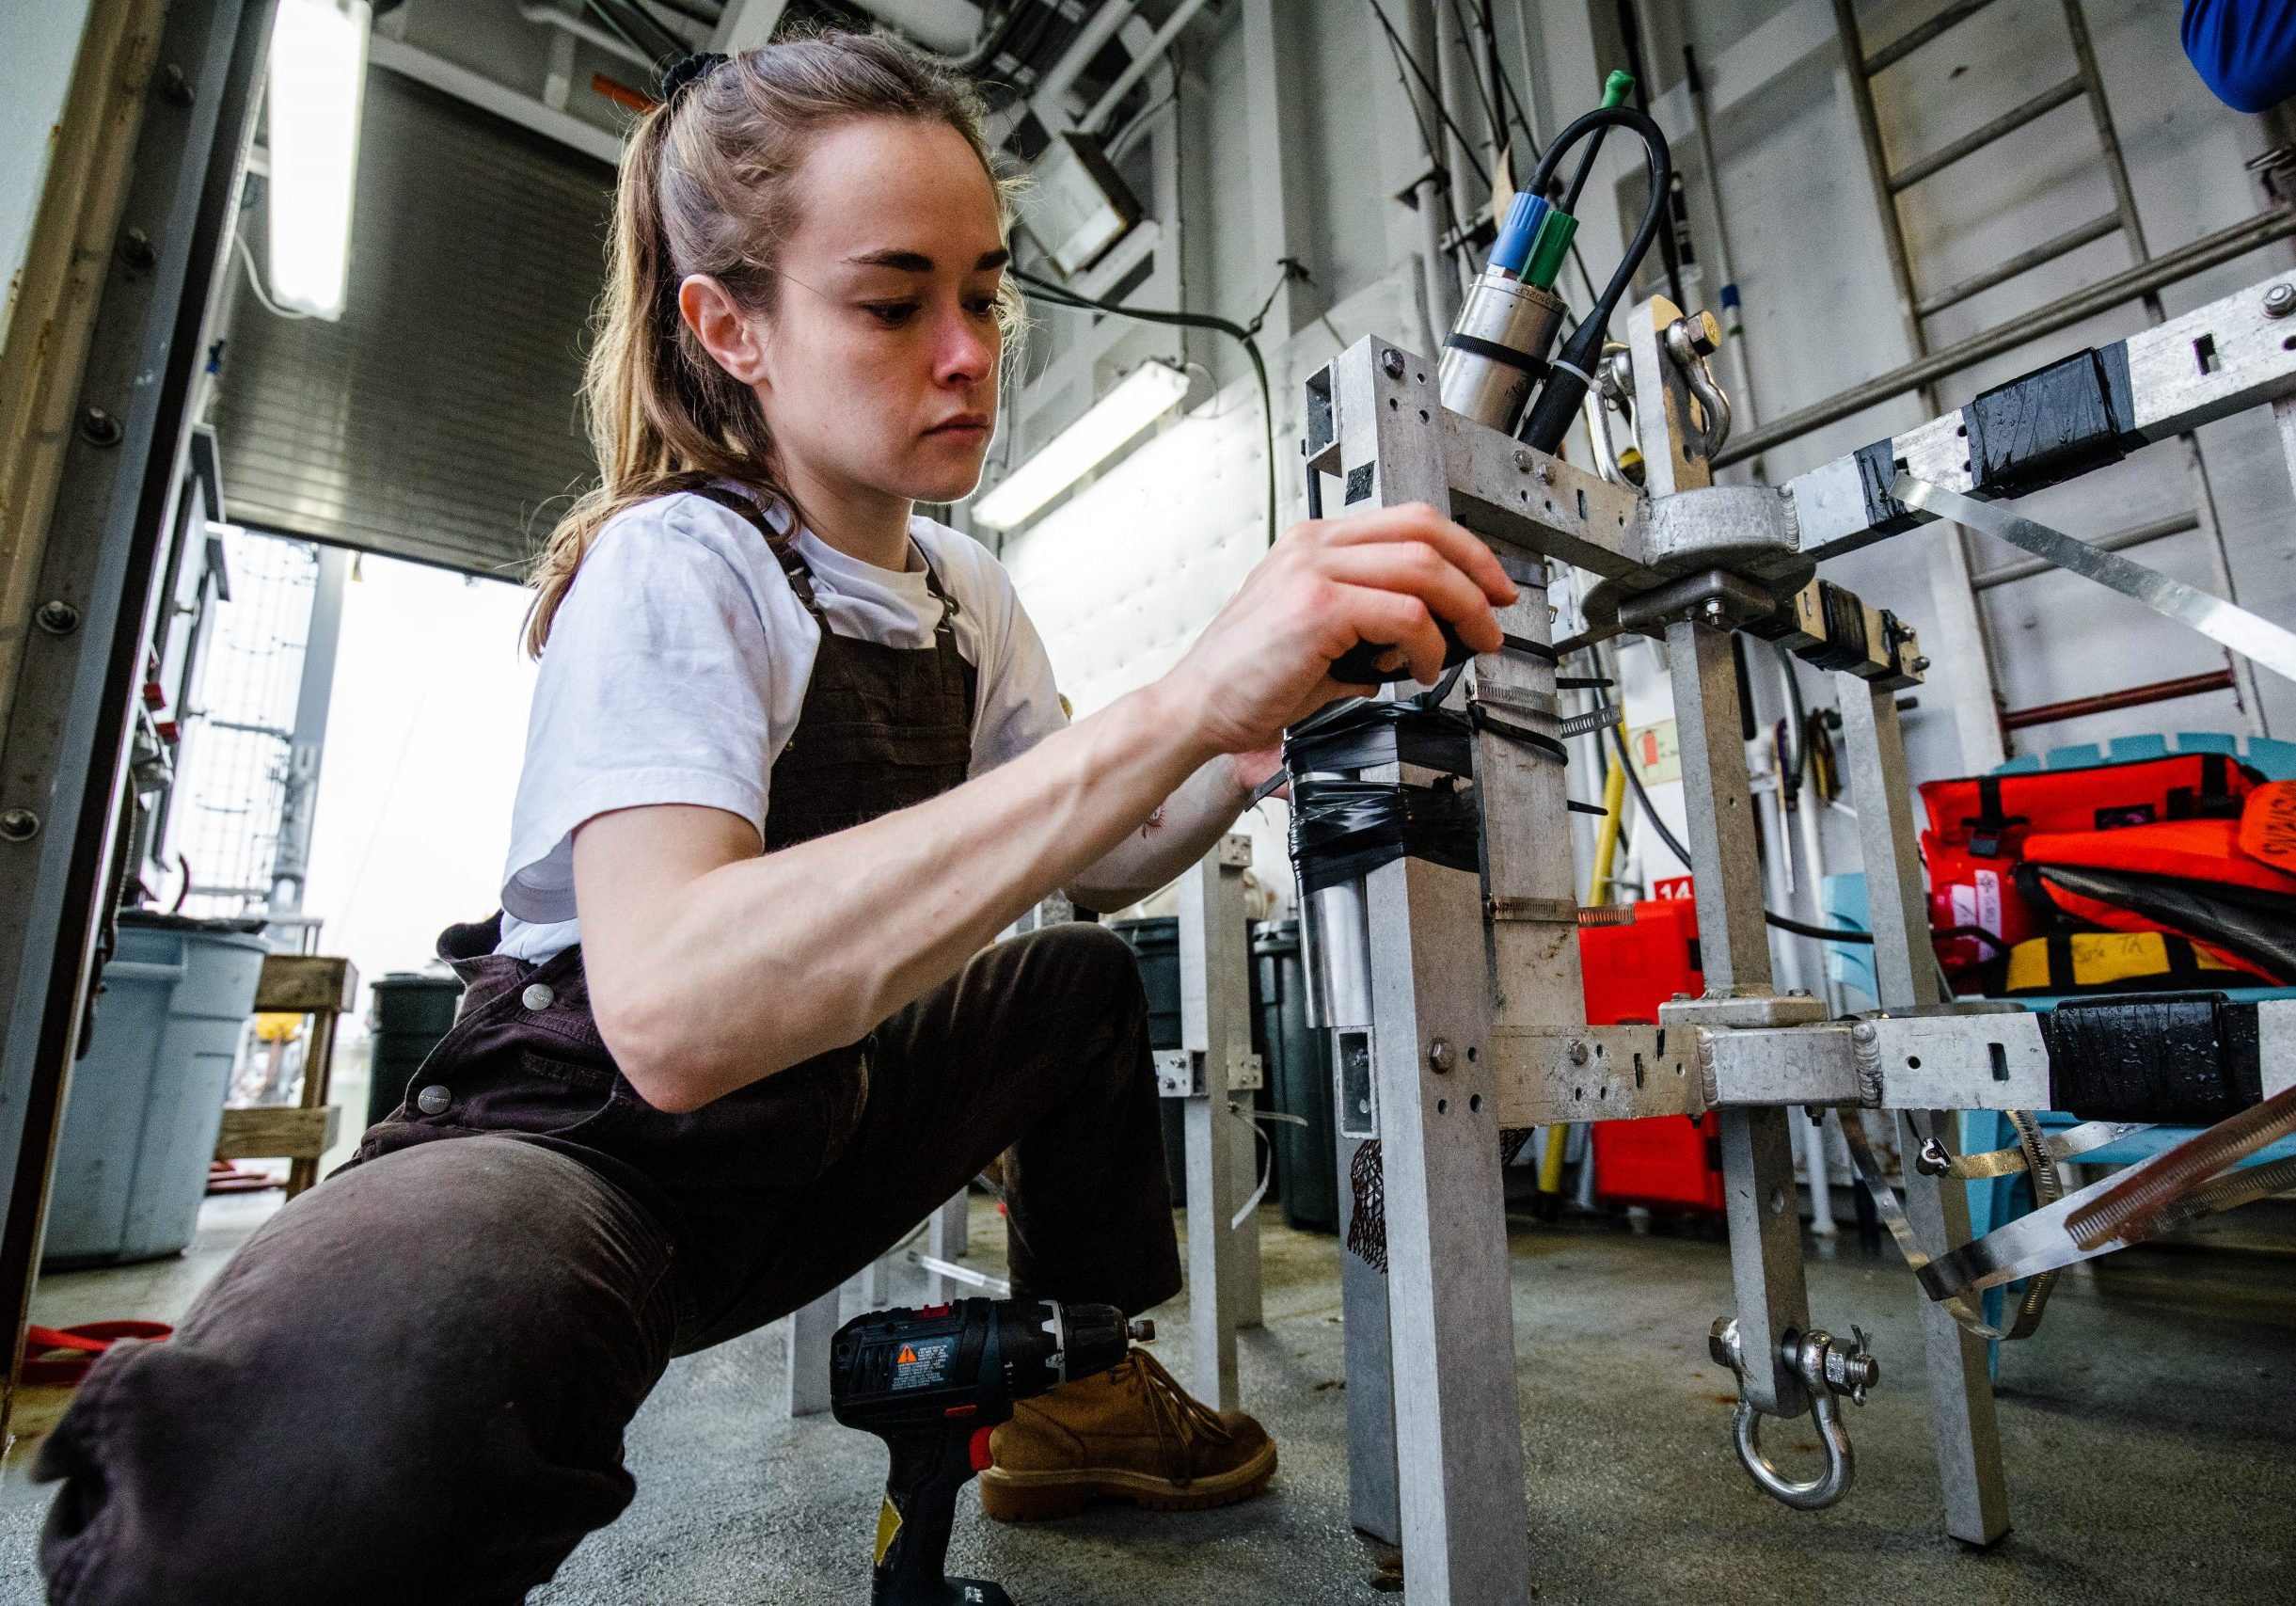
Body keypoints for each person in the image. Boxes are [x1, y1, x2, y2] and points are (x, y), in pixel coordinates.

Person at [32, 30, 1513, 1606]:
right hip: (585, 1149)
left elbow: (1097, 860)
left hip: (822, 1125)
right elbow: (671, 1013)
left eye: (986, 296)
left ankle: (1080, 1393)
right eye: (892, 303)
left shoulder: (967, 596)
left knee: (1077, 988)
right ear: (729, 325)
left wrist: (1245, 742)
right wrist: (1178, 705)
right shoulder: (681, 564)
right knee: (311, 1469)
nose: (966, 354)